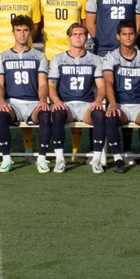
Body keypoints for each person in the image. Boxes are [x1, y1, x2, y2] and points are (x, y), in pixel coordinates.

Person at [84, 0, 140, 161]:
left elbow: (138, 22)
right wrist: (100, 40)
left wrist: (129, 42)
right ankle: (95, 147)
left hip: (126, 52)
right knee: (98, 99)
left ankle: (126, 147)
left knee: (125, 96)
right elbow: (90, 22)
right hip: (103, 51)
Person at [35, 0, 87, 156]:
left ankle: (75, 149)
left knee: (75, 99)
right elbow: (37, 25)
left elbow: (83, 26)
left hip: (73, 56)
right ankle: (44, 148)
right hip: (49, 55)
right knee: (46, 102)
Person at [0, 14, 48, 171]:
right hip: (12, 103)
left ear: (30, 32)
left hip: (33, 103)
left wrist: (43, 100)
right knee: (0, 115)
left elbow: (42, 83)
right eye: (18, 30)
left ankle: (42, 158)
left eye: (25, 30)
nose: (22, 34)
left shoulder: (40, 56)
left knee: (45, 114)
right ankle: (6, 158)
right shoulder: (3, 56)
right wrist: (1, 101)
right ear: (13, 32)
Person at [46, 22, 104, 174]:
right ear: (68, 38)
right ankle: (60, 159)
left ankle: (97, 159)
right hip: (67, 104)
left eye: (82, 34)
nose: (78, 37)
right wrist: (57, 101)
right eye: (75, 34)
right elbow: (51, 85)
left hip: (86, 104)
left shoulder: (95, 59)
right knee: (57, 114)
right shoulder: (58, 59)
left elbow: (102, 86)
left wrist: (98, 101)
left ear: (87, 37)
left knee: (100, 115)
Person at [101, 20, 140, 171]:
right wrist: (112, 104)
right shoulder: (111, 57)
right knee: (110, 116)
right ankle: (118, 159)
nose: (128, 37)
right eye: (124, 34)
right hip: (120, 105)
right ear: (118, 36)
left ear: (136, 35)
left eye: (131, 34)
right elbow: (108, 83)